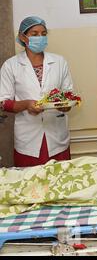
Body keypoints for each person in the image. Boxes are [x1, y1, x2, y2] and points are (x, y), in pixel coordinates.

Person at [0, 16, 74, 167]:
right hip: (28, 141)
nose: (40, 37)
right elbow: (4, 103)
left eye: (43, 33)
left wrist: (64, 105)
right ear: (23, 37)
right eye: (34, 34)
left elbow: (68, 94)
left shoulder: (59, 62)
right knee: (31, 186)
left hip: (57, 137)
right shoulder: (11, 65)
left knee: (61, 184)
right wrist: (27, 104)